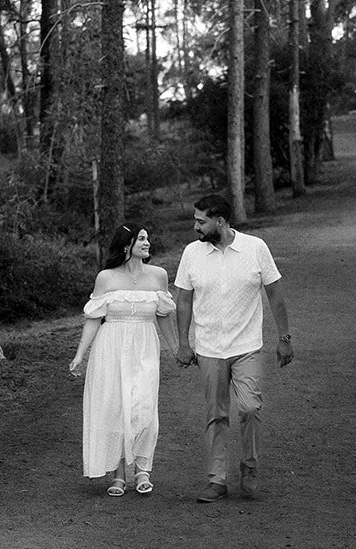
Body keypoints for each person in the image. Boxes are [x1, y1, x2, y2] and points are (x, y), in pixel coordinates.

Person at [174, 193, 292, 503]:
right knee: (216, 414)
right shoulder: (191, 254)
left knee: (251, 408)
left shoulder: (255, 248)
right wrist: (184, 343)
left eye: (201, 221)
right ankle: (217, 480)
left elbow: (275, 295)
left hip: (246, 345)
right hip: (209, 348)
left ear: (220, 221)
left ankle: (249, 467)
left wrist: (284, 338)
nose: (195, 226)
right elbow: (183, 300)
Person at [69, 223, 176, 496]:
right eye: (141, 238)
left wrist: (177, 349)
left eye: (147, 238)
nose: (146, 242)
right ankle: (118, 475)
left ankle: (142, 469)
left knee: (143, 407)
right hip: (110, 347)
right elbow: (93, 318)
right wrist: (80, 354)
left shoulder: (158, 276)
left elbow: (163, 316)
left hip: (144, 347)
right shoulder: (106, 278)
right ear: (126, 245)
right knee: (115, 408)